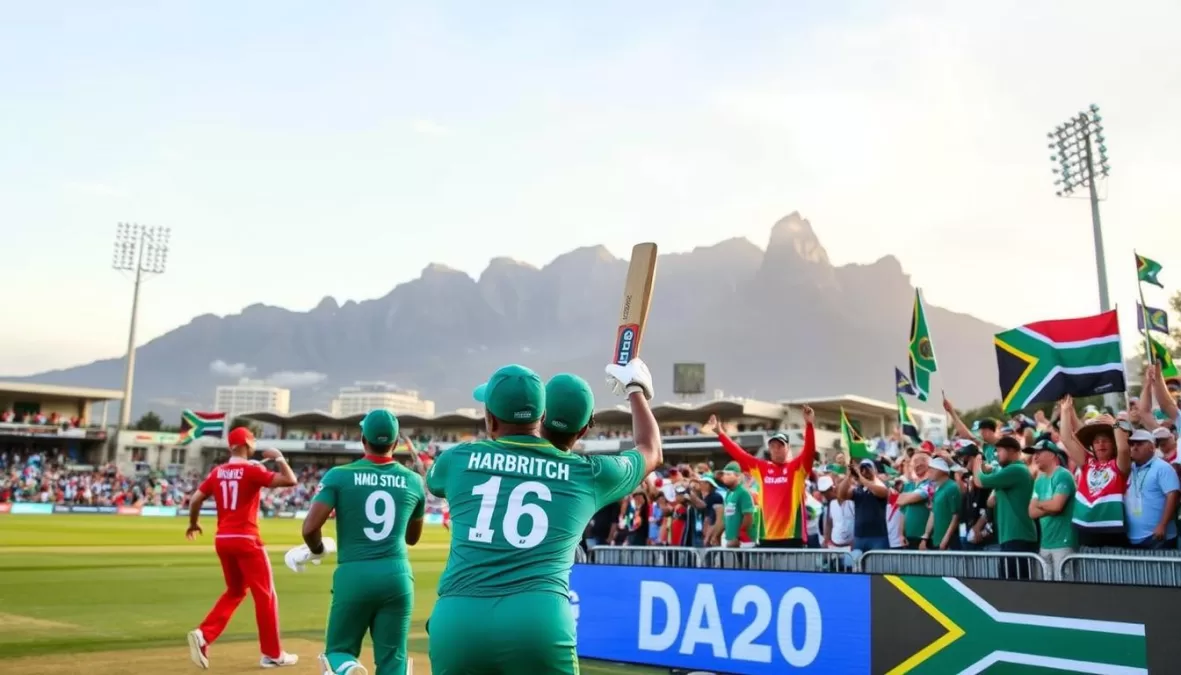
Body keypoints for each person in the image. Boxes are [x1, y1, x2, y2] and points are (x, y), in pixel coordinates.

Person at [425, 361, 662, 675]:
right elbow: (651, 450)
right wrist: (635, 391)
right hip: (538, 622)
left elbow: (434, 483)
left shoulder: (457, 459)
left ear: (490, 419)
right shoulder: (588, 474)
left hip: (458, 621)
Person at [287, 410, 426, 675]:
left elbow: (310, 527)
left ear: (363, 439)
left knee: (338, 651)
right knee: (393, 659)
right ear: (395, 444)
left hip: (354, 574)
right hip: (397, 575)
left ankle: (348, 668)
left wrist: (317, 550)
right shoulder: (414, 481)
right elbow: (412, 538)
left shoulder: (339, 475)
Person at [184, 426, 299, 670]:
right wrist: (278, 457)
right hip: (247, 540)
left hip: (223, 540)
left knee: (235, 591)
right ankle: (272, 654)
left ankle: (204, 636)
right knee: (265, 595)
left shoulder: (218, 471)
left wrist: (194, 523)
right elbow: (290, 480)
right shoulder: (252, 471)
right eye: (253, 439)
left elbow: (195, 500)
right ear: (247, 444)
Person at [706, 406, 817, 548]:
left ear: (787, 448)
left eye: (780, 446)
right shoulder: (762, 469)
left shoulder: (797, 468)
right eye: (773, 446)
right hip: (767, 536)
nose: (776, 449)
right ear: (769, 449)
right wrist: (720, 433)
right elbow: (739, 453)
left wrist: (809, 425)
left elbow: (809, 451)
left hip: (793, 537)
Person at [1059, 397, 1131, 548]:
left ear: (1113, 444)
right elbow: (1066, 439)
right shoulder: (1087, 462)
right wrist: (1065, 410)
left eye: (1106, 440)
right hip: (1085, 526)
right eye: (1097, 442)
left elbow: (1124, 449)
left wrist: (1115, 424)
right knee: (1090, 570)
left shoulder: (1118, 465)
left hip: (1112, 527)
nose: (1101, 444)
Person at [971, 435, 1038, 579]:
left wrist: (976, 462)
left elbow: (980, 481)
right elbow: (990, 502)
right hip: (1011, 536)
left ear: (1012, 451)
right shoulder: (1009, 471)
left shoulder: (1016, 470)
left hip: (1019, 536)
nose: (997, 455)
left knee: (1019, 586)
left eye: (999, 451)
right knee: (1010, 584)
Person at [1123, 426, 1180, 550]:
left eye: (1140, 444)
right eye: (1132, 444)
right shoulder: (1129, 468)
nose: (1134, 447)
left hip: (1157, 537)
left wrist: (1162, 525)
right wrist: (1116, 424)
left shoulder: (1162, 467)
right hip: (1132, 537)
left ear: (1152, 447)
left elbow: (1173, 496)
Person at [1028, 439, 1076, 579]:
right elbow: (1031, 512)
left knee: (1066, 590)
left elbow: (1057, 506)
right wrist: (1049, 505)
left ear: (1052, 455)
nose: (1035, 457)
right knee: (1047, 590)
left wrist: (1041, 504)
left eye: (1039, 453)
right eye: (1034, 454)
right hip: (1045, 544)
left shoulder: (1063, 475)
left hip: (1064, 543)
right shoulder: (1039, 480)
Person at [839, 458, 891, 555]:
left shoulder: (882, 485)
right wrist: (849, 475)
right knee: (858, 567)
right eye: (862, 468)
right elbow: (842, 494)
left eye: (868, 468)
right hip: (859, 536)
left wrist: (866, 475)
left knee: (878, 568)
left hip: (878, 536)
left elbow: (881, 492)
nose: (865, 471)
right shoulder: (858, 489)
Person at [921, 457, 962, 551]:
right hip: (937, 540)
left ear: (941, 471)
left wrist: (946, 538)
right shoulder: (938, 489)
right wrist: (925, 537)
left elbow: (956, 516)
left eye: (933, 469)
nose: (929, 471)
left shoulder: (952, 487)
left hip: (949, 542)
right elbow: (933, 513)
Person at [720, 462, 757, 548]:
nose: (725, 477)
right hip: (731, 540)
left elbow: (748, 516)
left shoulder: (743, 493)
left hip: (744, 541)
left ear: (738, 476)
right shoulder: (728, 493)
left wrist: (738, 536)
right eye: (724, 474)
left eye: (729, 474)